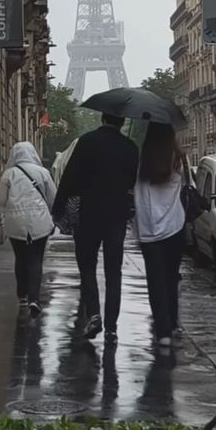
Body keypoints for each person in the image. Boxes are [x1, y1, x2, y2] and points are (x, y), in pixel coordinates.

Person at [53, 113, 139, 344]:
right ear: (122, 122)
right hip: (116, 218)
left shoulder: (87, 142)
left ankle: (94, 314)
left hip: (88, 215)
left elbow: (69, 178)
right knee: (114, 271)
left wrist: (59, 208)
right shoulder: (130, 147)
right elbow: (133, 184)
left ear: (102, 118)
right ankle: (112, 324)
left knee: (87, 266)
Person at [134, 122, 185, 348]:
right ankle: (173, 322)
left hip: (148, 229)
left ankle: (162, 331)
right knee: (171, 277)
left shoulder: (142, 162)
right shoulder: (177, 159)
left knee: (155, 281)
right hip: (174, 225)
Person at [0, 142, 56, 318]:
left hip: (16, 222)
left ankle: (22, 294)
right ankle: (34, 299)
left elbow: (1, 200)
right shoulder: (43, 173)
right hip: (39, 221)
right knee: (36, 258)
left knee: (20, 257)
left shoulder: (9, 174)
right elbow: (53, 197)